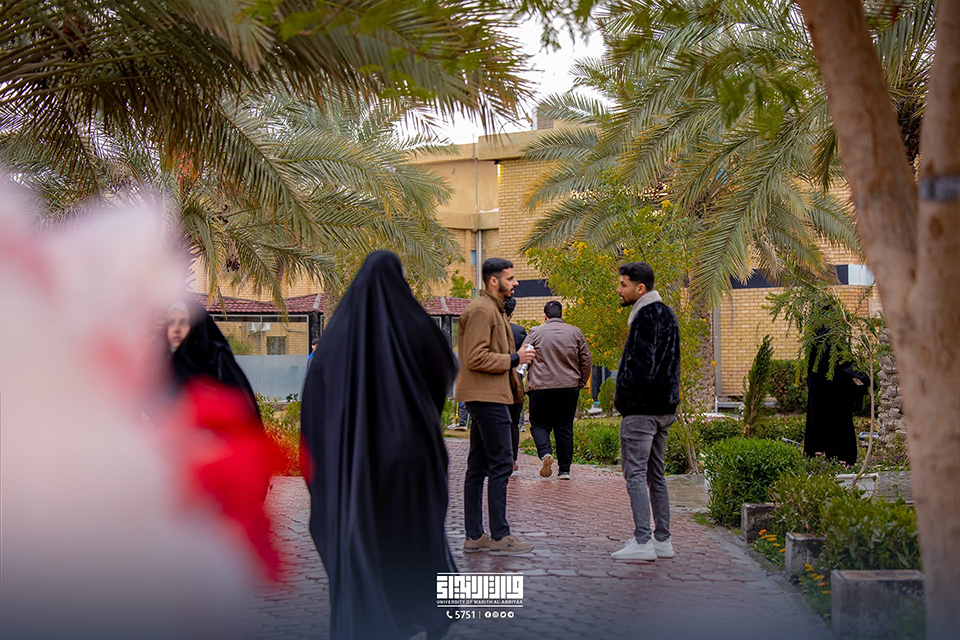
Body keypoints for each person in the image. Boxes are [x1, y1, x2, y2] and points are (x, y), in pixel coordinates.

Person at [299, 251, 459, 640]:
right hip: (413, 459)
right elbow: (443, 370)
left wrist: (330, 459)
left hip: (355, 466)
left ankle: (377, 620)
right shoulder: (417, 328)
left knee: (364, 542)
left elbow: (315, 411)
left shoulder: (333, 342)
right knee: (417, 537)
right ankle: (429, 612)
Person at [457, 258, 535, 555]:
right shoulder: (481, 310)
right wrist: (516, 359)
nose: (516, 283)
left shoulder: (494, 309)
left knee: (478, 466)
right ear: (494, 281)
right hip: (487, 396)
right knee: (502, 463)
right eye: (511, 278)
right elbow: (475, 357)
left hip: (492, 394)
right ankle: (500, 536)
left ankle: (476, 536)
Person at [611, 262, 680, 562]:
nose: (619, 289)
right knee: (656, 475)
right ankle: (662, 540)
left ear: (640, 288)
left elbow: (641, 364)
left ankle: (642, 541)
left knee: (636, 474)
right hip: (664, 408)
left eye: (623, 284)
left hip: (642, 411)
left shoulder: (645, 316)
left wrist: (625, 400)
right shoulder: (667, 313)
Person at [522, 300, 592, 479]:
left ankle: (545, 453)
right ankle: (565, 471)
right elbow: (586, 359)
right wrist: (581, 381)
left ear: (545, 316)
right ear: (562, 314)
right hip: (568, 387)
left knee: (538, 425)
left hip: (540, 387)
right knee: (564, 428)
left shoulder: (535, 332)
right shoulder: (576, 332)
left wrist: (523, 380)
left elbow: (524, 357)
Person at [164, 301, 260, 424]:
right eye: (171, 323)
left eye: (183, 322)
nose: (176, 329)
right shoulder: (160, 365)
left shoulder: (216, 359)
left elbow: (242, 411)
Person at [804, 328, 869, 466]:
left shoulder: (814, 341)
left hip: (819, 398)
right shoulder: (834, 339)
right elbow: (845, 365)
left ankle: (818, 461)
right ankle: (842, 461)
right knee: (839, 431)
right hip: (837, 397)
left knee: (818, 428)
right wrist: (863, 379)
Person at [503, 296, 527, 471]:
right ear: (511, 313)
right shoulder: (519, 332)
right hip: (513, 382)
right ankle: (512, 460)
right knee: (513, 423)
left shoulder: (485, 330)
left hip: (489, 383)